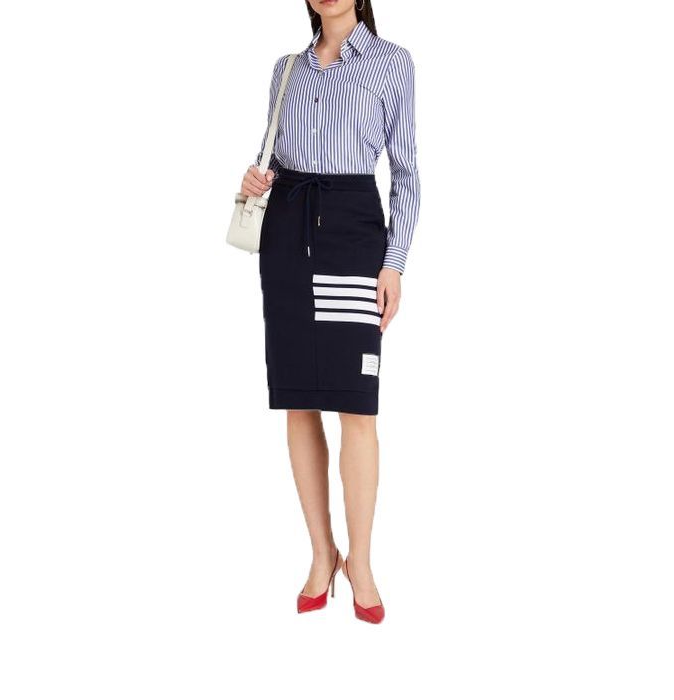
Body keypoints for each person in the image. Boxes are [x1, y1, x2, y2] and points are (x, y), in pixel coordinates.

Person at [240, 0, 420, 624]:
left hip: (353, 233)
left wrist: (393, 263)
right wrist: (254, 180)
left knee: (356, 405)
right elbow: (269, 157)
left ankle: (360, 562)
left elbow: (407, 172)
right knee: (299, 400)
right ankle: (322, 554)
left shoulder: (393, 63)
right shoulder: (286, 67)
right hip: (287, 233)